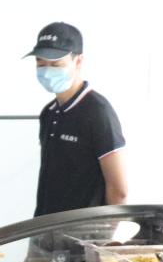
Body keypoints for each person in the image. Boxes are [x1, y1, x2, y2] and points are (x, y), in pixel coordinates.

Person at [26, 22, 127, 216]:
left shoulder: (97, 112)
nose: (47, 71)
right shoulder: (48, 113)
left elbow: (119, 190)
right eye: (40, 63)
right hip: (44, 226)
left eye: (56, 64)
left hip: (83, 230)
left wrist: (105, 231)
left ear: (78, 61)